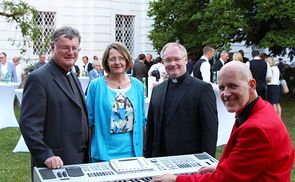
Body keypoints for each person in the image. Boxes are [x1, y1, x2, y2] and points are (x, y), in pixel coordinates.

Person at [152, 61, 294, 182]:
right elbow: (248, 164)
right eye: (221, 88)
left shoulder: (256, 129)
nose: (225, 94)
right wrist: (222, 166)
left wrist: (176, 179)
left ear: (251, 84)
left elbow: (224, 179)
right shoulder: (259, 108)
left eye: (233, 86)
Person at [19, 26, 89, 174]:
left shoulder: (73, 74)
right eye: (65, 48)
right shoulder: (38, 78)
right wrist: (46, 155)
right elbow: (29, 124)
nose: (71, 52)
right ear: (52, 47)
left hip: (79, 160)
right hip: (55, 163)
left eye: (74, 48)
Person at [144, 42, 218, 158]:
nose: (172, 64)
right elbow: (150, 129)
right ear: (163, 62)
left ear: (186, 59)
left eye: (176, 59)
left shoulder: (202, 89)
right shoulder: (157, 90)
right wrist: (147, 157)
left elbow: (210, 131)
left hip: (189, 163)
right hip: (159, 161)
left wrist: (205, 164)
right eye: (168, 60)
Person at [86, 42, 146, 162]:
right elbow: (89, 122)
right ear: (107, 62)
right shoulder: (96, 85)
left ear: (127, 60)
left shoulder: (138, 85)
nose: (117, 62)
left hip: (133, 153)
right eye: (112, 59)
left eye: (121, 58)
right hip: (103, 153)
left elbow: (142, 120)